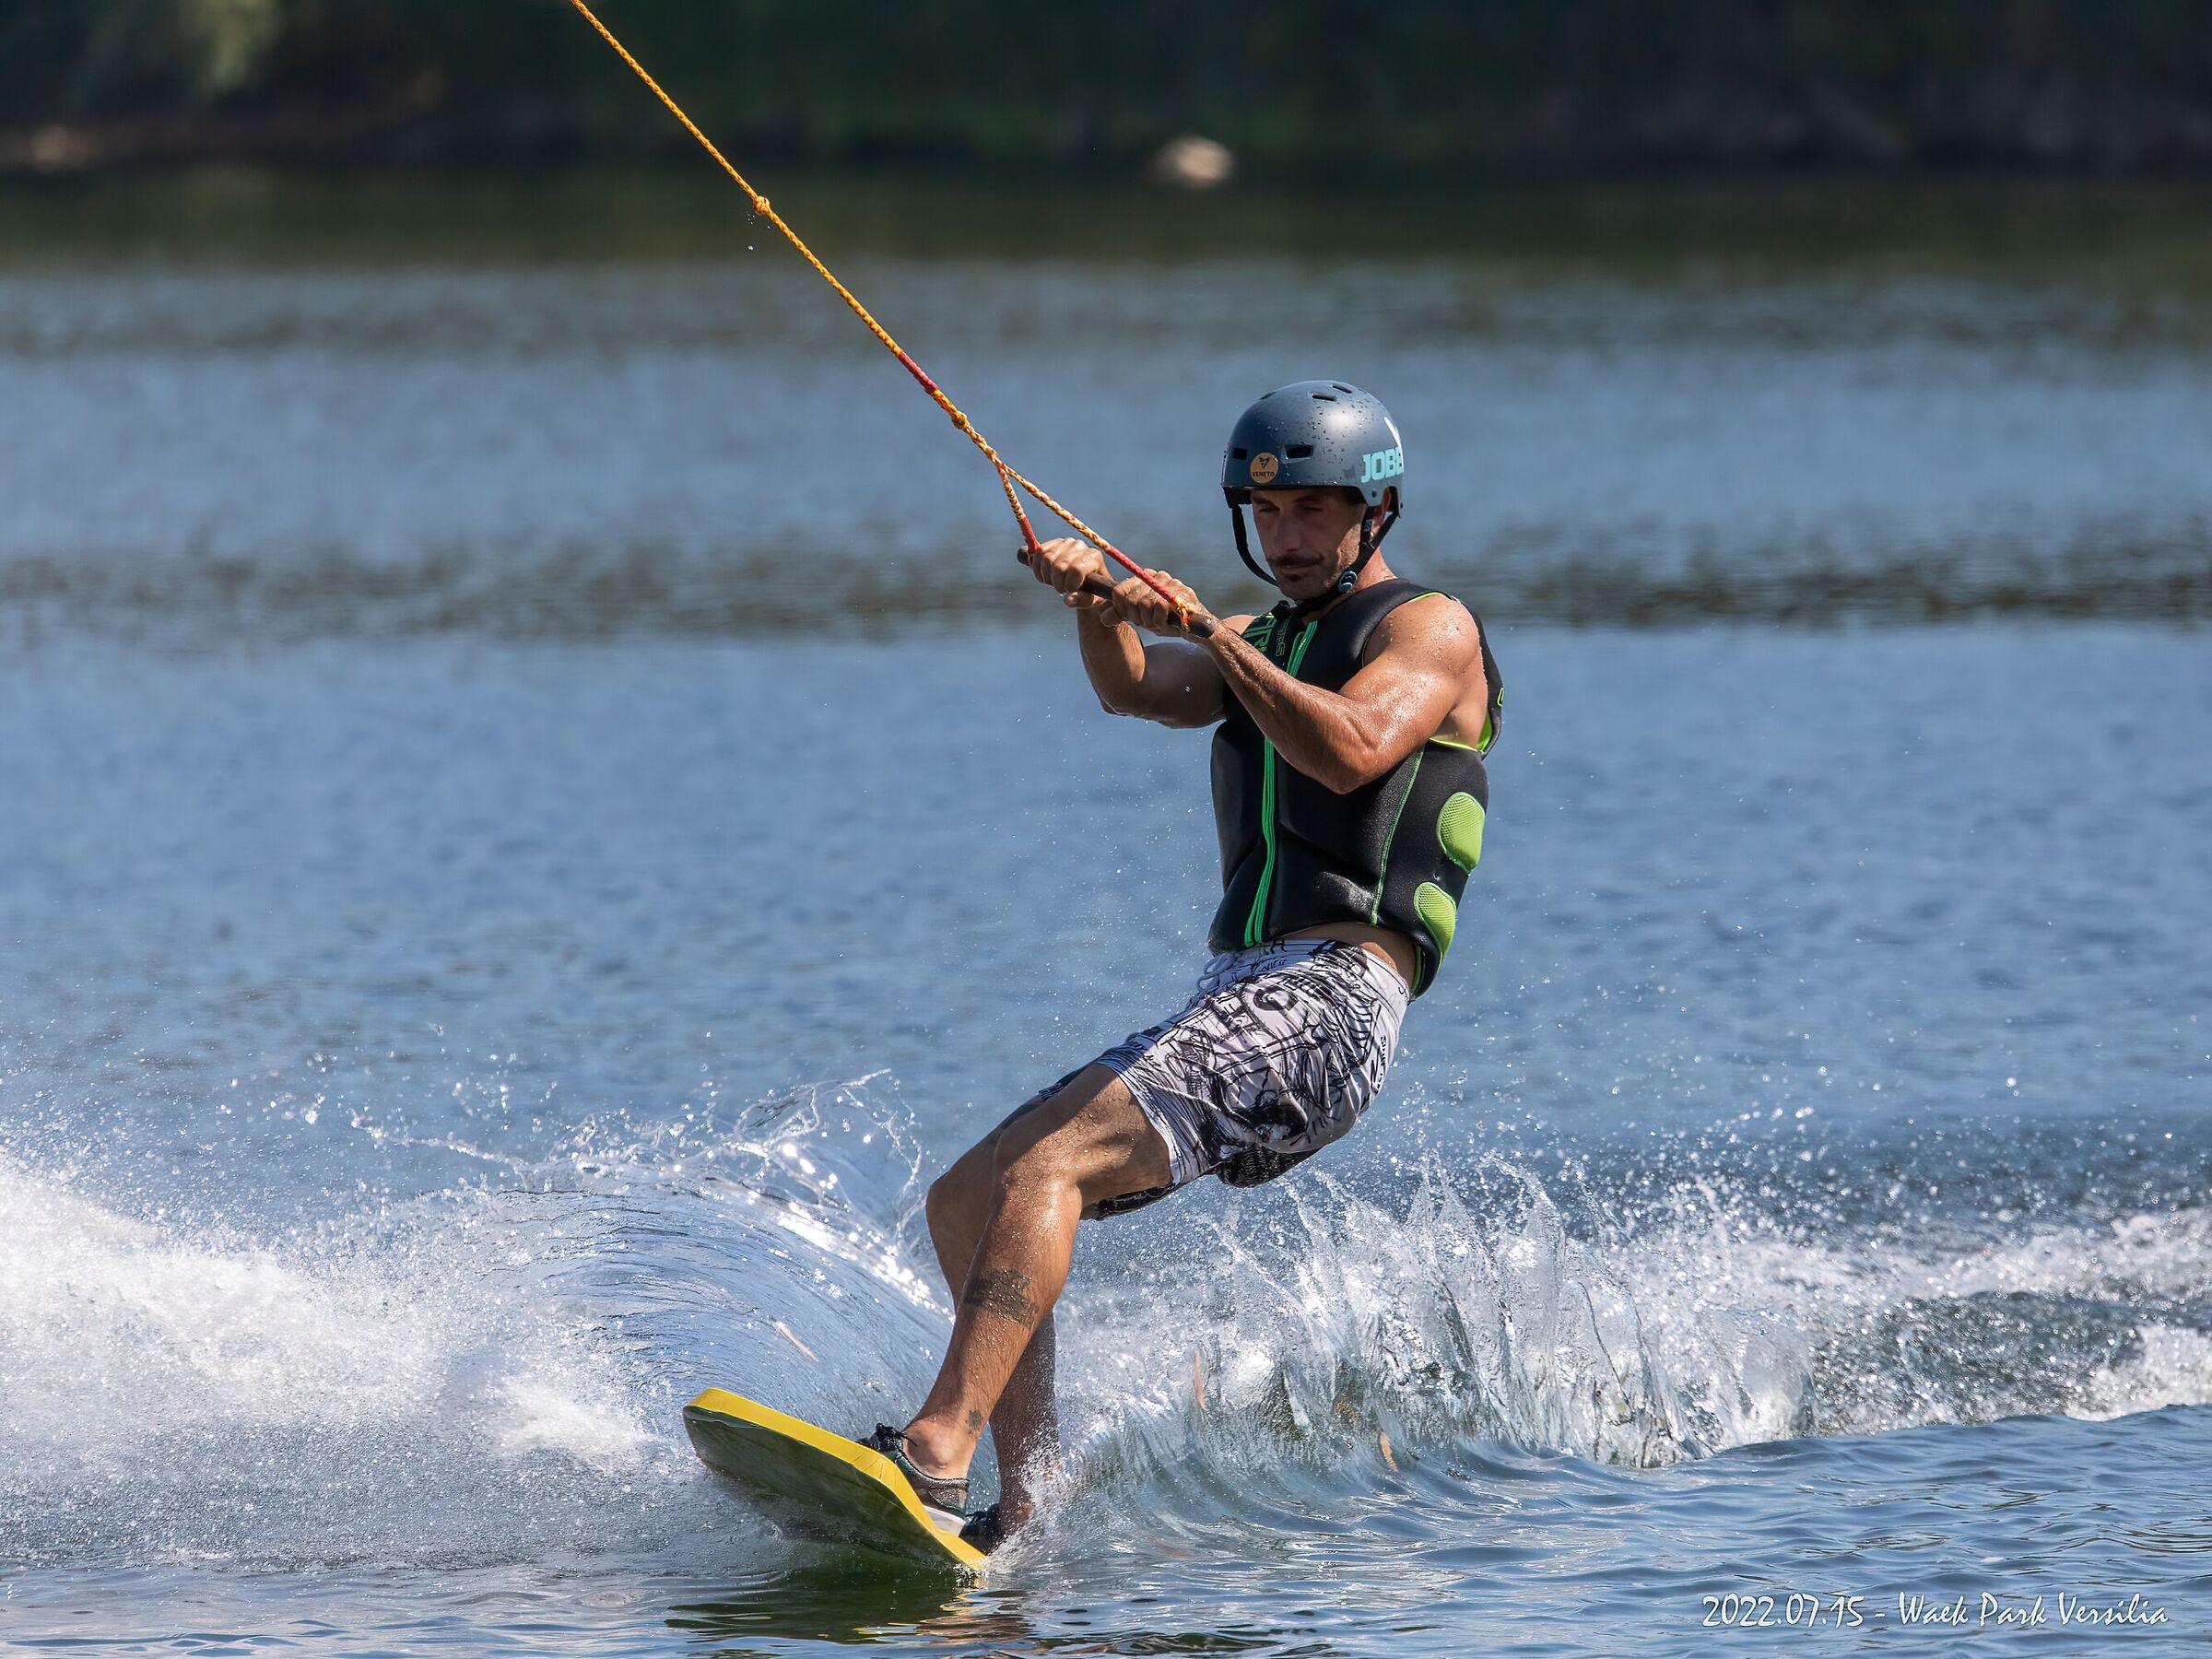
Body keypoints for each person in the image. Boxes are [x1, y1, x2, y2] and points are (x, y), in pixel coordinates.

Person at [862, 381, 1503, 1549]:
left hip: (1334, 1001)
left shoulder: (1429, 630)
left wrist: (1207, 628)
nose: (1286, 538)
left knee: (1050, 1163)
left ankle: (935, 1452)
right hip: (1241, 994)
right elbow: (1134, 688)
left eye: (1313, 512)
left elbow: (1354, 749)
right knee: (969, 1198)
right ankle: (1029, 1509)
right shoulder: (1261, 640)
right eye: (1267, 515)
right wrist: (1098, 606)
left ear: (1375, 511)